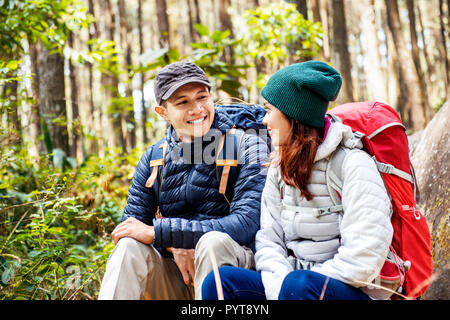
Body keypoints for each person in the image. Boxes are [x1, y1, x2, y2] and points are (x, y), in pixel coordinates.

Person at [201, 61, 393, 300]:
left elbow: (364, 255)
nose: (264, 120)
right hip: (290, 289)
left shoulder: (353, 164)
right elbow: (269, 242)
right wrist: (280, 289)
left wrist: (294, 288)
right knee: (220, 282)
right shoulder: (279, 168)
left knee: (301, 284)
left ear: (294, 115)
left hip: (348, 289)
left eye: (270, 110)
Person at [98, 61, 269, 300]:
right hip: (175, 275)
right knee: (128, 248)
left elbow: (247, 224)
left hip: (231, 275)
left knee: (213, 243)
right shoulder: (154, 158)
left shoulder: (248, 144)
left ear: (211, 96)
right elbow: (132, 228)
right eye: (183, 102)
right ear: (163, 112)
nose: (197, 109)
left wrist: (164, 233)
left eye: (202, 97)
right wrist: (171, 245)